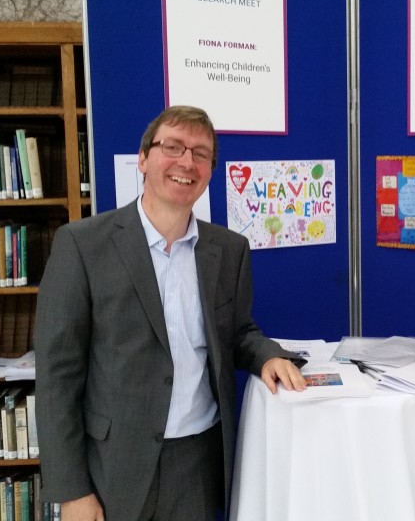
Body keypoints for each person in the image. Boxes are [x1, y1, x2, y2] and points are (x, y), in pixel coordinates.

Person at [35, 105, 307, 521]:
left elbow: (237, 333)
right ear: (143, 159)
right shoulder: (82, 245)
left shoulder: (229, 250)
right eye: (173, 147)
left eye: (201, 154)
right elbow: (58, 376)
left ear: (211, 170)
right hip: (113, 466)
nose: (186, 163)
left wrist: (267, 355)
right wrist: (72, 490)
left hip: (197, 462)